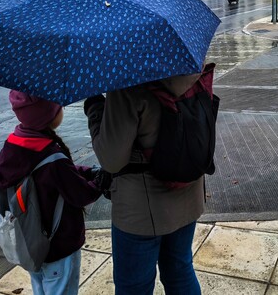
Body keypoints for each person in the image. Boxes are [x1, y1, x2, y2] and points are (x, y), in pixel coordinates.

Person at [84, 70, 205, 295]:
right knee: (179, 270)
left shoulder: (126, 80)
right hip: (187, 193)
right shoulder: (189, 67)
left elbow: (112, 159)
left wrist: (95, 108)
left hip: (140, 209)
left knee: (133, 286)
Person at [0, 91, 108, 295]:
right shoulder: (52, 158)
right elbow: (80, 194)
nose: (62, 108)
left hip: (32, 242)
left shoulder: (12, 145)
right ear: (48, 115)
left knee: (41, 287)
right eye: (58, 106)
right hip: (59, 246)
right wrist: (101, 181)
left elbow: (62, 174)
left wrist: (87, 172)